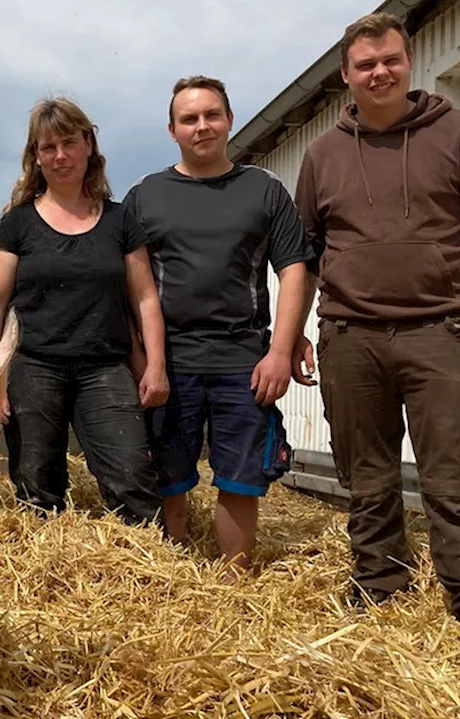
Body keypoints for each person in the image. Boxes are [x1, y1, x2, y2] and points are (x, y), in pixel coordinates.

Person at [292, 12, 460, 626]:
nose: (379, 72)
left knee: (453, 473)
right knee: (365, 477)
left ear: (408, 62)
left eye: (389, 59)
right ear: (347, 75)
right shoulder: (322, 154)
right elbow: (305, 256)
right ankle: (379, 583)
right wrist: (290, 337)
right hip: (348, 335)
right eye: (365, 64)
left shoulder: (458, 132)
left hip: (439, 331)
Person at [123, 76, 311, 573]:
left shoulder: (264, 189)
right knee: (169, 479)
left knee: (240, 479)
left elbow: (294, 270)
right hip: (170, 364)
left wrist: (280, 350)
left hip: (243, 361)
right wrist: (144, 361)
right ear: (172, 130)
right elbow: (130, 288)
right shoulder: (145, 196)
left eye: (212, 115)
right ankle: (174, 580)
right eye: (189, 118)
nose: (202, 126)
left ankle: (235, 585)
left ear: (229, 120)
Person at [0, 97, 169, 528]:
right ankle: (44, 578)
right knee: (36, 482)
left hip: (105, 367)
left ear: (88, 146)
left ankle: (147, 571)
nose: (60, 156)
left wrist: (155, 365)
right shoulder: (16, 226)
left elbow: (145, 299)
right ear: (36, 158)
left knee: (131, 477)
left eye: (68, 143)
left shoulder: (121, 222)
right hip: (34, 365)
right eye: (48, 147)